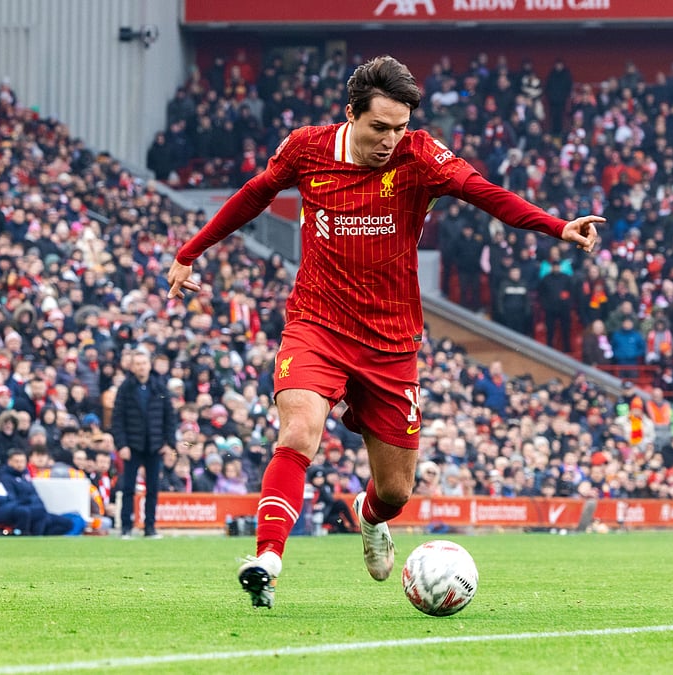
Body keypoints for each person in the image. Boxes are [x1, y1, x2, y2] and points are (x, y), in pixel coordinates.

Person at [167, 55, 602, 609]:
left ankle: (369, 518)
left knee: (395, 491)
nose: (391, 140)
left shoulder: (420, 156)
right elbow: (254, 193)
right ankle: (268, 560)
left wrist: (556, 225)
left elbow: (485, 192)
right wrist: (191, 250)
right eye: (379, 128)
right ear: (351, 115)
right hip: (316, 323)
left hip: (392, 342)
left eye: (399, 128)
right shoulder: (307, 148)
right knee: (298, 432)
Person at [110, 349, 177, 539]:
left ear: (149, 365)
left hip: (154, 445)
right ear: (132, 366)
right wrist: (121, 444)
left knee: (153, 489)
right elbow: (117, 418)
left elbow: (169, 417)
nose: (141, 367)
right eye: (137, 363)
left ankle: (150, 527)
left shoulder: (159, 386)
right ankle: (126, 527)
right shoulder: (125, 388)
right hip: (132, 446)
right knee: (129, 488)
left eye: (144, 363)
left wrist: (168, 443)